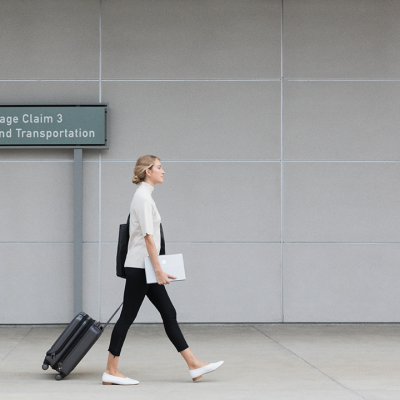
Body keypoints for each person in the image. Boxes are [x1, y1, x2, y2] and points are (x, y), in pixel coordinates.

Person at [102, 155, 224, 385]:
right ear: (148, 171)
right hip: (141, 268)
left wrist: (155, 268)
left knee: (169, 313)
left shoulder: (145, 196)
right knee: (127, 317)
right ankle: (110, 370)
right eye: (159, 167)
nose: (163, 171)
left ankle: (193, 365)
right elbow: (149, 238)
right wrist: (158, 270)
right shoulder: (143, 198)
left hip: (144, 267)